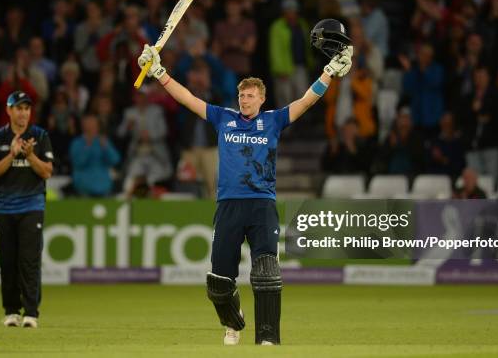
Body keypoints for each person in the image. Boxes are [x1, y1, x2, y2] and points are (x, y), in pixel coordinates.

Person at [136, 29, 352, 345]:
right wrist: (159, 71)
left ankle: (267, 338)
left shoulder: (274, 120)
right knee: (218, 282)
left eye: (250, 95)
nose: (244, 99)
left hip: (261, 203)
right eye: (241, 95)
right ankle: (233, 324)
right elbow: (188, 99)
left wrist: (328, 72)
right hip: (229, 205)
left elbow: (306, 101)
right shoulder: (224, 118)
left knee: (266, 271)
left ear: (261, 99)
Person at [0, 91, 54, 328]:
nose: (23, 113)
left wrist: (30, 155)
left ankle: (31, 313)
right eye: (18, 108)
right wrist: (12, 154)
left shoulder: (39, 136)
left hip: (32, 205)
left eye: (27, 108)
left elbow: (46, 172)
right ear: (9, 110)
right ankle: (11, 311)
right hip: (5, 208)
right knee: (8, 262)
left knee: (29, 261)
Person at [70, 113, 120, 196]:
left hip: (104, 185)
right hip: (83, 185)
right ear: (83, 126)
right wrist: (87, 147)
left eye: (93, 124)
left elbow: (115, 160)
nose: (91, 127)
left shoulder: (103, 141)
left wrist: (106, 148)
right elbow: (77, 163)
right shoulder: (77, 143)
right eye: (88, 124)